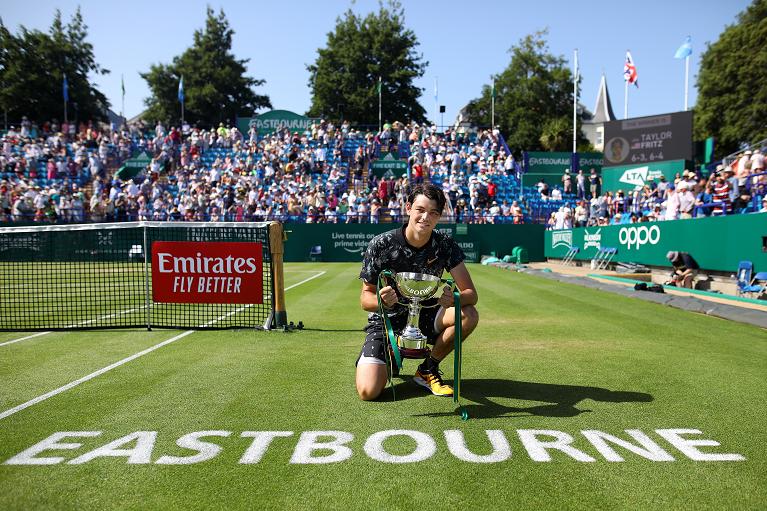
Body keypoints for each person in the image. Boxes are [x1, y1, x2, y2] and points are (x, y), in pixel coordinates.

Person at [356, 183, 479, 401]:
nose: (425, 217)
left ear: (439, 216)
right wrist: (382, 302)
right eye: (420, 210)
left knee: (468, 314)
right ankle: (392, 355)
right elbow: (365, 298)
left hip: (426, 313)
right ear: (408, 208)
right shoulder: (381, 244)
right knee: (368, 391)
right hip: (387, 321)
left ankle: (428, 369)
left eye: (433, 213)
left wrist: (453, 299)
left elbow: (471, 293)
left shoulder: (445, 245)